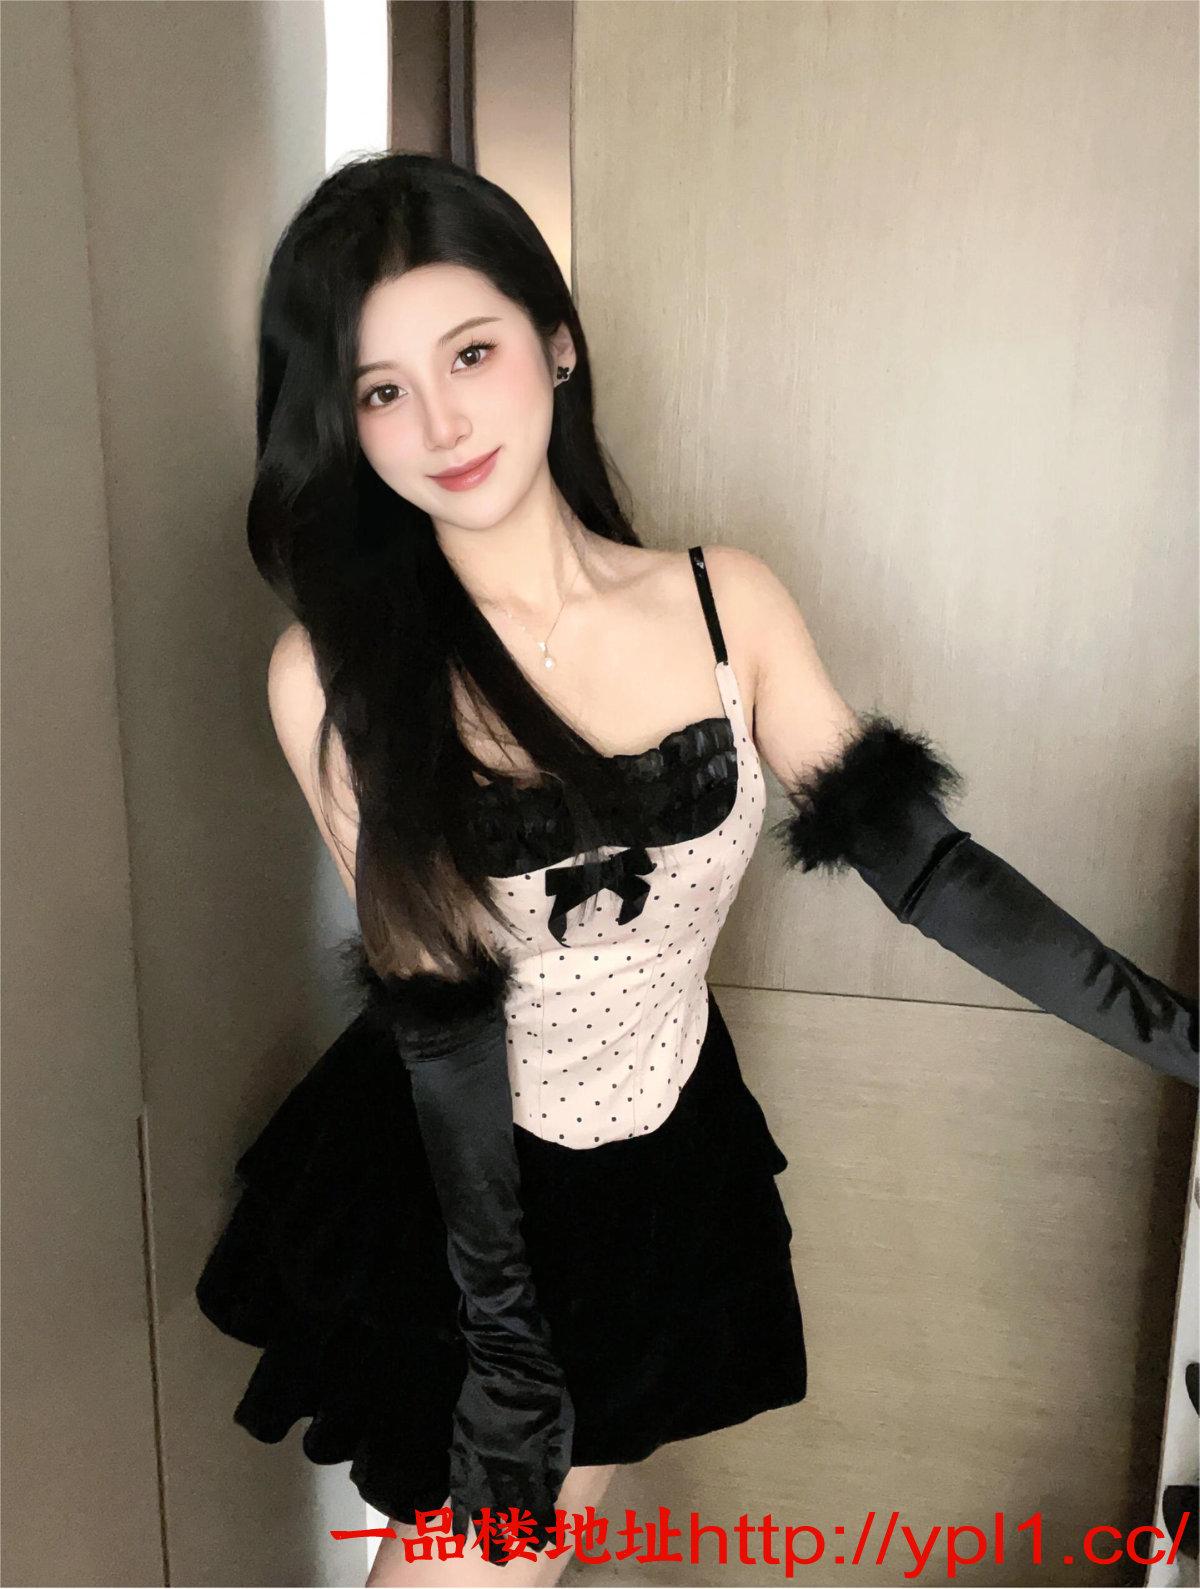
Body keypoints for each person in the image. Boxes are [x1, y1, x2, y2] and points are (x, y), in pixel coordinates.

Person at [194, 151, 1199, 1588]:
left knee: (548, 1547)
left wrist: (1181, 1038)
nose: (442, 422)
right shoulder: (336, 678)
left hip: (665, 1164)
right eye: (380, 389)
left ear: (555, 341)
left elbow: (930, 871)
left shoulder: (730, 602)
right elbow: (443, 1018)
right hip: (463, 1194)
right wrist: (504, 1344)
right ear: (341, 424)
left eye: (471, 353)